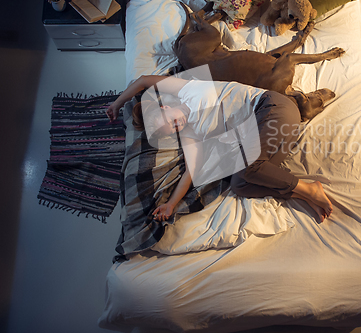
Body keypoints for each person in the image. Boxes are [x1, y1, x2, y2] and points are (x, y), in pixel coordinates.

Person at [106, 73, 333, 223]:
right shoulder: (191, 133)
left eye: (169, 120)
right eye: (171, 130)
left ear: (165, 106)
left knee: (248, 167)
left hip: (273, 108)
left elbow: (144, 80)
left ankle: (310, 189)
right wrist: (170, 204)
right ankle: (304, 194)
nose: (176, 126)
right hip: (279, 134)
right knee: (240, 185)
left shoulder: (186, 89)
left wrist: (117, 103)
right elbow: (191, 171)